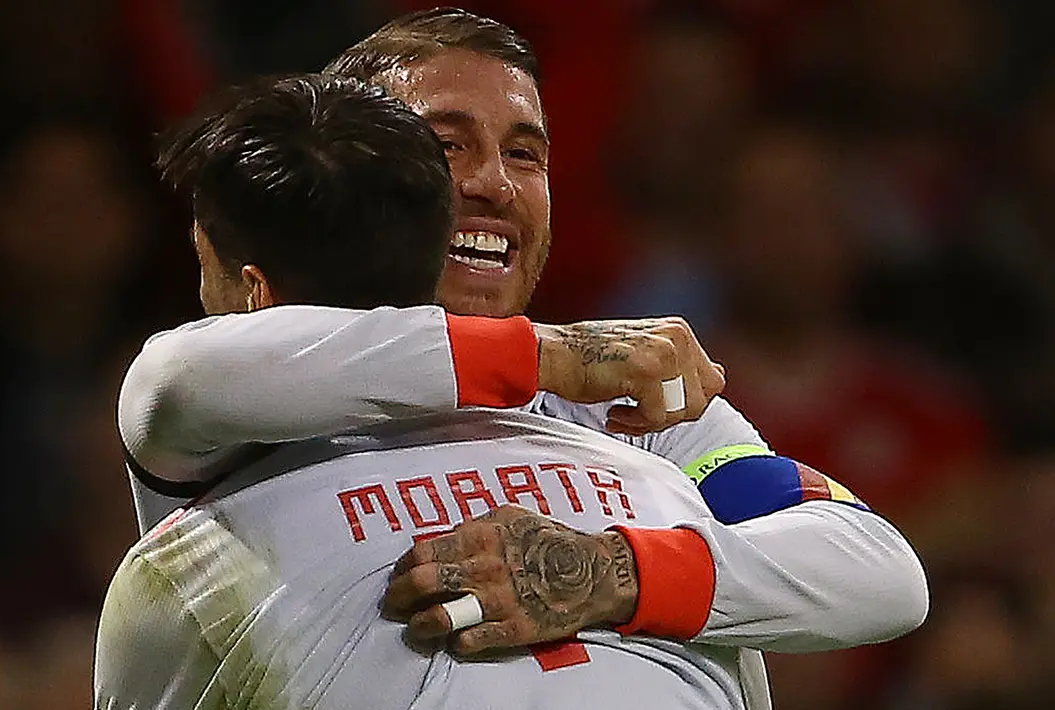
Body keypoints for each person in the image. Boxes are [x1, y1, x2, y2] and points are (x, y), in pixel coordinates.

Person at [117, 7, 928, 685]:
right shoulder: (254, 406)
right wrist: (550, 354)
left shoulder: (640, 418)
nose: (495, 185)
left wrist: (607, 574)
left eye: (523, 152)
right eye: (447, 146)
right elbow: (176, 380)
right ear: (351, 187)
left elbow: (873, 567)